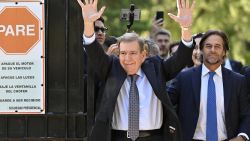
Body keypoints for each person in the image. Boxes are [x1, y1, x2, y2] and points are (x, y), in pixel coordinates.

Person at [77, 0, 195, 140]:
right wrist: (88, 25)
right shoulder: (111, 68)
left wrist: (186, 29)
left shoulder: (157, 68)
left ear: (143, 55)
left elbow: (181, 58)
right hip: (118, 137)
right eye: (123, 53)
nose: (127, 58)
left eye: (133, 53)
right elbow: (93, 50)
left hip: (154, 137)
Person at [168, 30, 250, 141]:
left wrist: (242, 137)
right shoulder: (184, 79)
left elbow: (246, 115)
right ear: (201, 49)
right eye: (208, 46)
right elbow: (165, 104)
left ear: (224, 52)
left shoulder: (238, 81)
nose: (212, 50)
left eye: (217, 46)